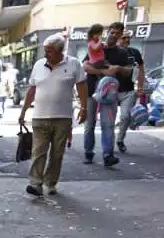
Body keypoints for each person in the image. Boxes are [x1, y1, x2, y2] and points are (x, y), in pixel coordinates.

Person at [19, 33, 87, 196]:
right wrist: (23, 111)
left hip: (62, 117)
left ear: (60, 51)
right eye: (45, 50)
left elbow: (81, 86)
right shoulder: (38, 65)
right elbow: (32, 90)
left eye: (49, 51)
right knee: (38, 151)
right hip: (40, 116)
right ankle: (35, 183)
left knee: (57, 153)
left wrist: (84, 107)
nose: (46, 54)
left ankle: (50, 182)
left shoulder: (74, 64)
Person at [82, 22, 132, 166]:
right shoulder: (97, 46)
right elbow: (85, 66)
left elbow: (129, 70)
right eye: (112, 32)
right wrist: (103, 72)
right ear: (107, 32)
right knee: (89, 124)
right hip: (91, 90)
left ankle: (108, 155)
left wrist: (118, 68)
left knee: (108, 125)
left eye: (118, 33)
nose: (114, 35)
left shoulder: (122, 52)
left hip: (109, 94)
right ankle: (88, 153)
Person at [117, 31, 146, 151]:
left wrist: (140, 87)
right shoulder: (111, 52)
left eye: (128, 38)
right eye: (124, 38)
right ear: (118, 39)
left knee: (125, 116)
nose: (127, 40)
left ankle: (120, 140)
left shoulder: (135, 52)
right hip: (111, 91)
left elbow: (141, 70)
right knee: (107, 121)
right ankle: (107, 143)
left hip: (128, 91)